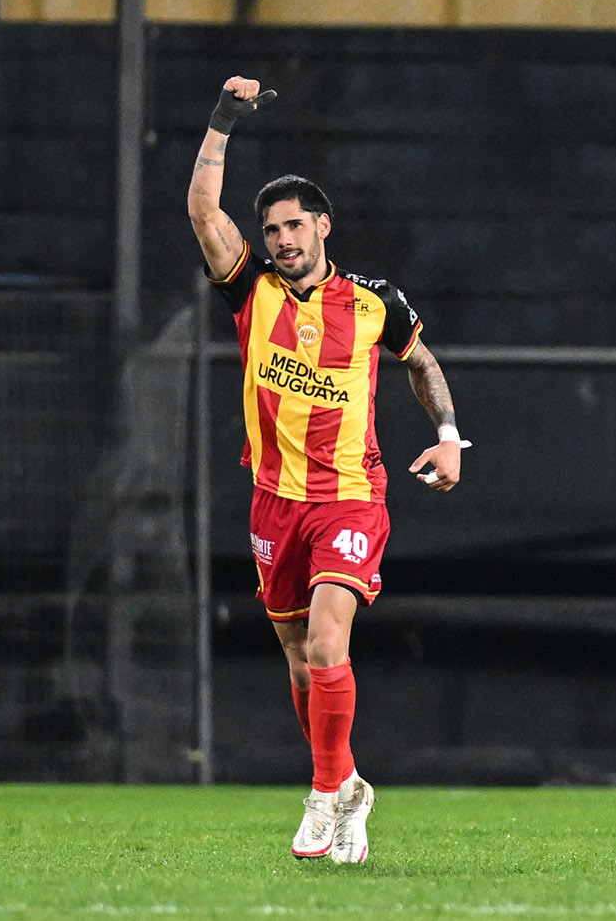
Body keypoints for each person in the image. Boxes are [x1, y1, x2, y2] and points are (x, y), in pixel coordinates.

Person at [186, 76, 466, 864]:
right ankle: (348, 787)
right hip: (274, 502)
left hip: (350, 497)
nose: (279, 238)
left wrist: (448, 434)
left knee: (328, 640)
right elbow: (204, 211)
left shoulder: (375, 302)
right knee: (302, 663)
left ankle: (319, 798)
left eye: (292, 225)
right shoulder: (250, 291)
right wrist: (221, 123)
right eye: (271, 228)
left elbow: (423, 364)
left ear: (322, 227)